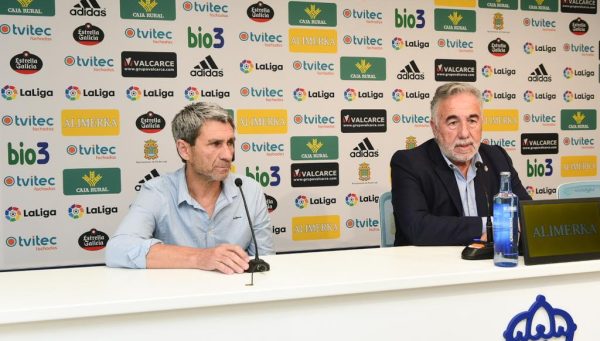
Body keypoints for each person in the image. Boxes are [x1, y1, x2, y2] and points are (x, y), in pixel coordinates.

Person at [105, 102, 274, 274]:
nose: (228, 155)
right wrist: (200, 258)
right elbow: (118, 249)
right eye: (215, 144)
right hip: (178, 297)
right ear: (184, 150)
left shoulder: (249, 190)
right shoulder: (158, 191)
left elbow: (265, 261)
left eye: (230, 143)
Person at [390, 82, 531, 246]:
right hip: (432, 265)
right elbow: (417, 227)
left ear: (481, 124)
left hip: (488, 263)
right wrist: (491, 226)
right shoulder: (409, 163)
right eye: (453, 122)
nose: (464, 133)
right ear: (435, 127)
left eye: (472, 120)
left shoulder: (497, 157)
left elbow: (527, 213)